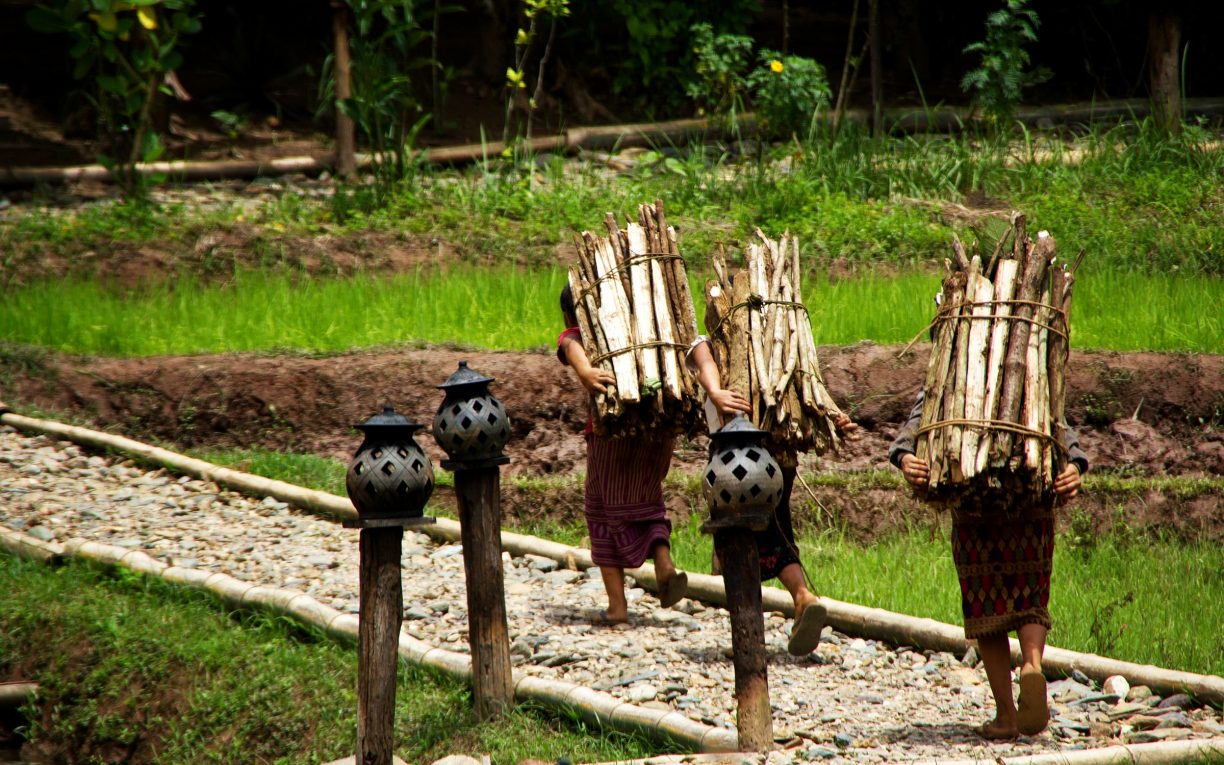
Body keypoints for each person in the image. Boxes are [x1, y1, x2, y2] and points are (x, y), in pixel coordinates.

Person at [889, 391, 1088, 740]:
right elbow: (1059, 425)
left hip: (973, 497)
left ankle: (1007, 715)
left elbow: (916, 423)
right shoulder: (1031, 362)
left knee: (986, 612)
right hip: (1030, 492)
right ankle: (1032, 665)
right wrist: (1074, 466)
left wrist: (905, 459)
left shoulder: (954, 369)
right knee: (1032, 601)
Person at [687, 339, 857, 656]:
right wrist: (832, 415)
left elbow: (701, 356)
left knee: (736, 542)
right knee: (776, 531)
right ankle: (803, 596)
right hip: (778, 458)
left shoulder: (721, 340)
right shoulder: (776, 343)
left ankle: (748, 639)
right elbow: (808, 383)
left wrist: (714, 391)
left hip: (734, 461)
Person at [557, 284, 688, 624]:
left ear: (574, 313)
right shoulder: (642, 326)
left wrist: (585, 372)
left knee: (600, 510)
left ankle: (617, 607)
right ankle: (663, 563)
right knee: (648, 499)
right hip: (656, 426)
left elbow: (570, 343)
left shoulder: (581, 335)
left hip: (613, 429)